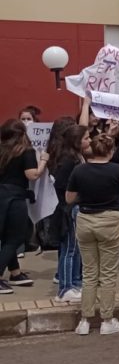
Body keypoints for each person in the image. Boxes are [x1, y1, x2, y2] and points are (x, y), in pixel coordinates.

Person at [66, 133, 119, 335]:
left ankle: (85, 320)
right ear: (111, 151)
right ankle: (107, 319)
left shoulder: (79, 170)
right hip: (110, 220)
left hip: (85, 219)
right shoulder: (117, 170)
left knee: (89, 273)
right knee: (107, 274)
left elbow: (69, 197)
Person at [0, 120, 48, 293]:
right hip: (15, 198)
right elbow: (32, 175)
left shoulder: (2, 150)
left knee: (6, 237)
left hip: (2, 195)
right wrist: (43, 161)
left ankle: (15, 272)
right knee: (15, 238)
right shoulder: (26, 151)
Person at [50, 124, 90, 303]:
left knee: (77, 249)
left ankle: (75, 282)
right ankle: (65, 288)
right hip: (69, 210)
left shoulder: (78, 157)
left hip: (77, 208)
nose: (89, 141)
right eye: (86, 138)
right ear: (76, 141)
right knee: (69, 249)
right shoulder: (69, 160)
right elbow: (60, 185)